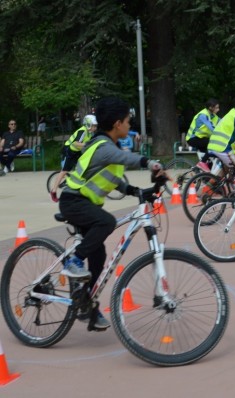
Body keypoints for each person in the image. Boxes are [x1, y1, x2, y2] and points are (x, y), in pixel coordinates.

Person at [58, 97, 163, 330]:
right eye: (128, 121)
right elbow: (126, 158)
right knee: (106, 222)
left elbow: (112, 180)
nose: (129, 125)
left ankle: (86, 306)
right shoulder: (104, 146)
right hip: (73, 201)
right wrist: (150, 163)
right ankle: (72, 260)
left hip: (86, 204)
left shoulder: (109, 147)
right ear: (117, 123)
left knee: (98, 257)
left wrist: (135, 191)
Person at [50, 115, 98, 201]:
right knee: (64, 171)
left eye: (95, 126)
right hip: (69, 151)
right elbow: (76, 143)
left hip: (77, 152)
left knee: (83, 168)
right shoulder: (82, 131)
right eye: (94, 125)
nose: (95, 127)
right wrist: (87, 145)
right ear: (88, 124)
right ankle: (53, 191)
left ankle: (77, 185)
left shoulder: (90, 133)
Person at [207, 97, 235, 172]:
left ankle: (211, 183)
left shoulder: (231, 113)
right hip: (224, 148)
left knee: (226, 169)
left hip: (215, 146)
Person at [186, 98, 220, 172]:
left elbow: (222, 123)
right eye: (217, 107)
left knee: (211, 156)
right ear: (211, 107)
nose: (218, 109)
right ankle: (202, 163)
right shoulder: (203, 115)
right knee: (213, 145)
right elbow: (212, 128)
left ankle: (201, 174)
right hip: (193, 138)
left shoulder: (214, 116)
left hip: (201, 138)